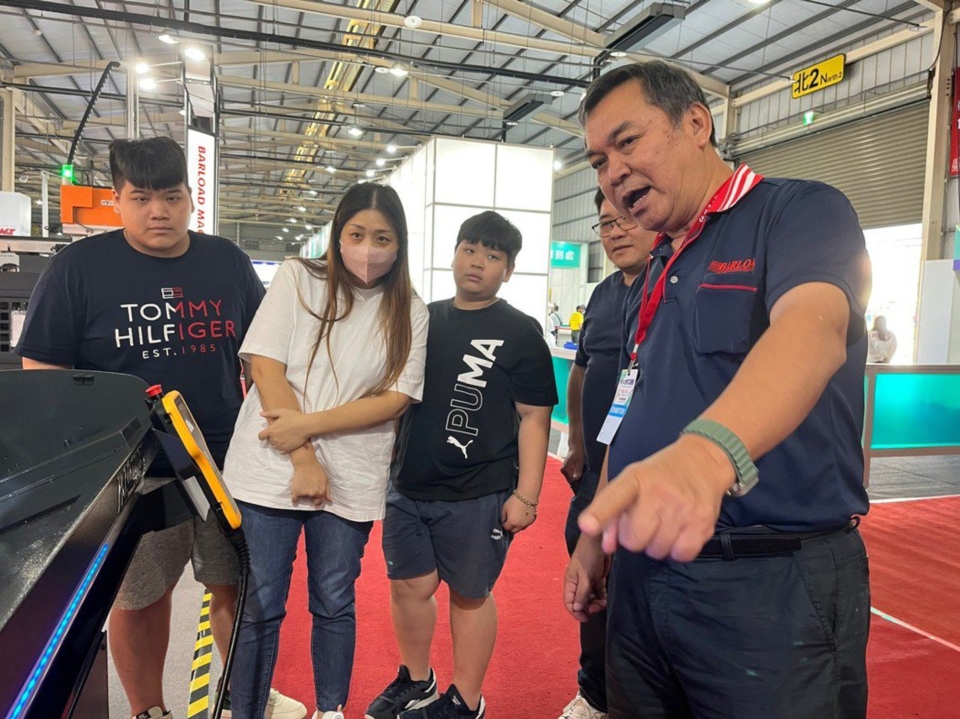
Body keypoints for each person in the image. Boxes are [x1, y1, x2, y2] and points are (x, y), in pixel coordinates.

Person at [564, 61, 872, 719]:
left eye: (626, 142)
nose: (611, 172)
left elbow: (813, 331)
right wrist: (597, 532)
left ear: (697, 123)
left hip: (769, 580)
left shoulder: (800, 211)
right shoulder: (660, 266)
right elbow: (633, 398)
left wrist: (707, 454)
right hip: (645, 582)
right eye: (597, 160)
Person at [14, 137, 305, 719]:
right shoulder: (79, 269)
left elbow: (266, 358)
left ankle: (247, 698)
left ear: (190, 198)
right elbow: (42, 370)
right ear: (116, 200)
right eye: (141, 197)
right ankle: (149, 710)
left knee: (240, 587)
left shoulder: (227, 262)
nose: (158, 212)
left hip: (226, 458)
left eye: (171, 197)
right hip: (132, 468)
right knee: (141, 596)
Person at [223, 183, 429, 719]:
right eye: (356, 234)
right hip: (270, 469)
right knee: (261, 605)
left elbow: (395, 398)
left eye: (382, 238)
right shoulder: (299, 277)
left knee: (334, 601)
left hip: (352, 477)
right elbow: (264, 365)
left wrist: (308, 427)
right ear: (338, 236)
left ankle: (332, 710)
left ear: (400, 244)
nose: (367, 249)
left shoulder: (410, 309)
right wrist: (304, 456)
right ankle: (245, 710)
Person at [365, 211, 557, 719]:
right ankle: (416, 678)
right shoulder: (423, 318)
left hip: (480, 491)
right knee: (409, 587)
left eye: (493, 256)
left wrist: (528, 496)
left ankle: (465, 700)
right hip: (408, 485)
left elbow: (536, 418)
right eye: (470, 250)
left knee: (470, 595)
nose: (478, 263)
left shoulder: (520, 331)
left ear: (508, 271)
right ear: (453, 254)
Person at [558, 189, 657, 719]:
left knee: (639, 595)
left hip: (651, 478)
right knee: (588, 589)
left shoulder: (668, 286)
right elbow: (581, 371)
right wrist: (574, 440)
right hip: (597, 475)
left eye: (626, 219)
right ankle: (594, 692)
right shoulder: (599, 296)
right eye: (604, 224)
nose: (616, 231)